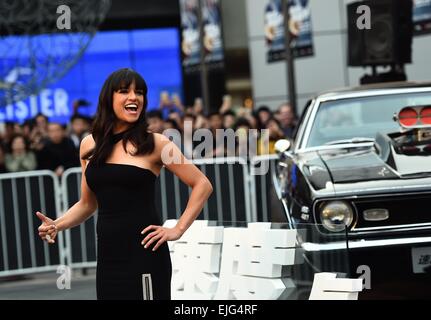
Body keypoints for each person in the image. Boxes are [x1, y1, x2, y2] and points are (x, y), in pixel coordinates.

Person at [35, 68, 213, 300]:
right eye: (124, 91)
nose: (134, 97)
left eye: (139, 92)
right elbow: (87, 204)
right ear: (109, 98)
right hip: (108, 259)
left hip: (145, 255)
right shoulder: (89, 145)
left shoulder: (156, 143)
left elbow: (202, 184)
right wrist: (57, 224)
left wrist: (177, 229)